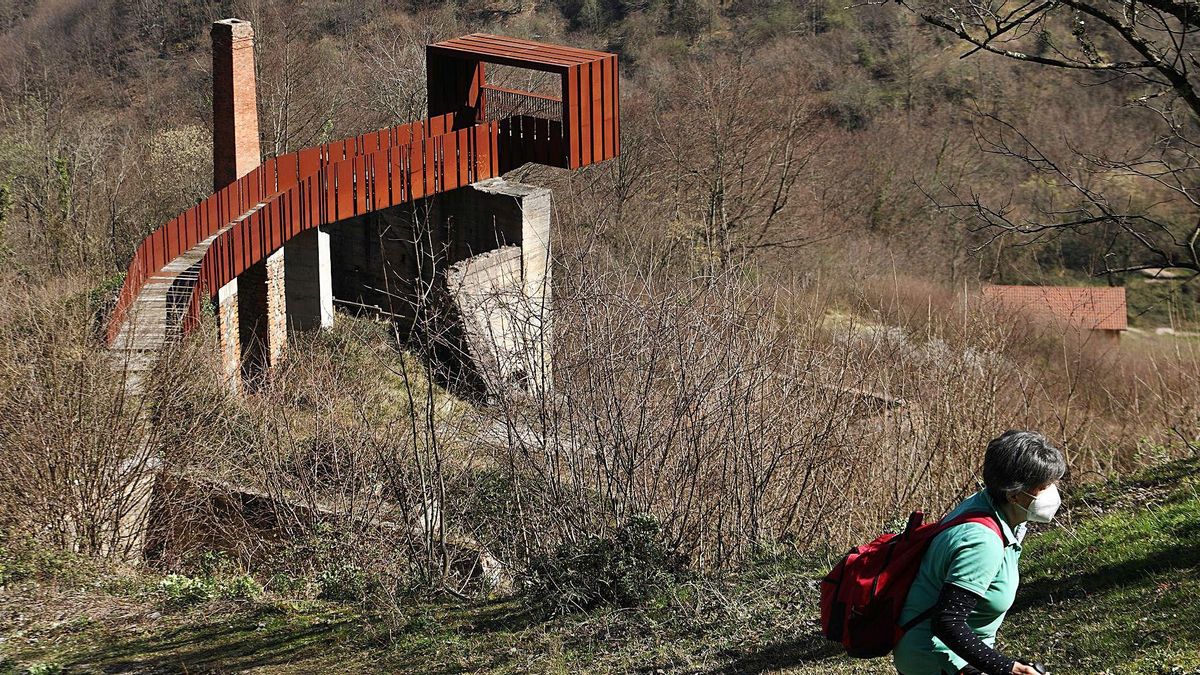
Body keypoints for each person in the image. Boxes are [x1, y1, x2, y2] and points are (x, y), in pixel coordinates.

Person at [893, 430, 1066, 675]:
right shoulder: (982, 542)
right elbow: (947, 623)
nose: (1052, 492)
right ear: (1014, 493)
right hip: (936, 661)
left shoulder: (988, 505)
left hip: (949, 655)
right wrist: (1007, 668)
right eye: (1044, 486)